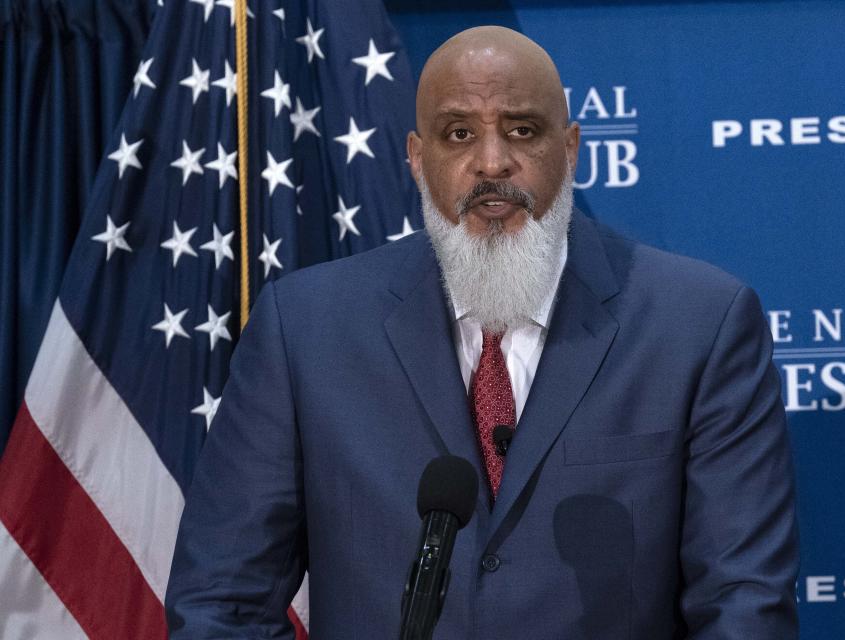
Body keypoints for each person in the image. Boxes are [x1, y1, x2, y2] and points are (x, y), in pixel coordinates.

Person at [166, 26, 799, 639]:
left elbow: (742, 602)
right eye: (459, 133)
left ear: (572, 148)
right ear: (418, 158)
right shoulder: (304, 330)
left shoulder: (698, 325)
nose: (492, 161)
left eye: (522, 130)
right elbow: (223, 600)